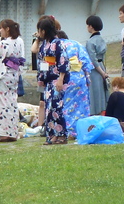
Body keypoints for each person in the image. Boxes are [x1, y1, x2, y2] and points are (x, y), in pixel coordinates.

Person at [36, 16, 70, 145]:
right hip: (48, 80)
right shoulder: (44, 45)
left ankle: (61, 135)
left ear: (43, 31)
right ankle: (52, 135)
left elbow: (63, 61)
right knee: (49, 109)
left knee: (56, 108)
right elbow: (41, 61)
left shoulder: (58, 43)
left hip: (57, 79)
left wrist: (61, 79)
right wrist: (41, 79)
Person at [0, 19, 25, 142]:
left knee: (1, 104)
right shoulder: (19, 41)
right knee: (12, 103)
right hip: (14, 74)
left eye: (1, 28)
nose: (0, 30)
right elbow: (21, 58)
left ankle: (3, 132)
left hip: (3, 75)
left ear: (7, 29)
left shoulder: (3, 43)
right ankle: (12, 131)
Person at [57, 30, 93, 138]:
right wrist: (87, 79)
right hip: (79, 77)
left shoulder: (58, 45)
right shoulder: (77, 44)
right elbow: (86, 63)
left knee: (66, 105)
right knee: (82, 106)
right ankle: (82, 129)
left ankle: (69, 130)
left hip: (64, 78)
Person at [85, 15, 110, 115]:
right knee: (102, 93)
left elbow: (92, 59)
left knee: (94, 93)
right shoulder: (102, 40)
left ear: (91, 26)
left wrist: (101, 72)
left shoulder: (90, 42)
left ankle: (94, 114)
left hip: (95, 70)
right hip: (102, 66)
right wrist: (104, 72)